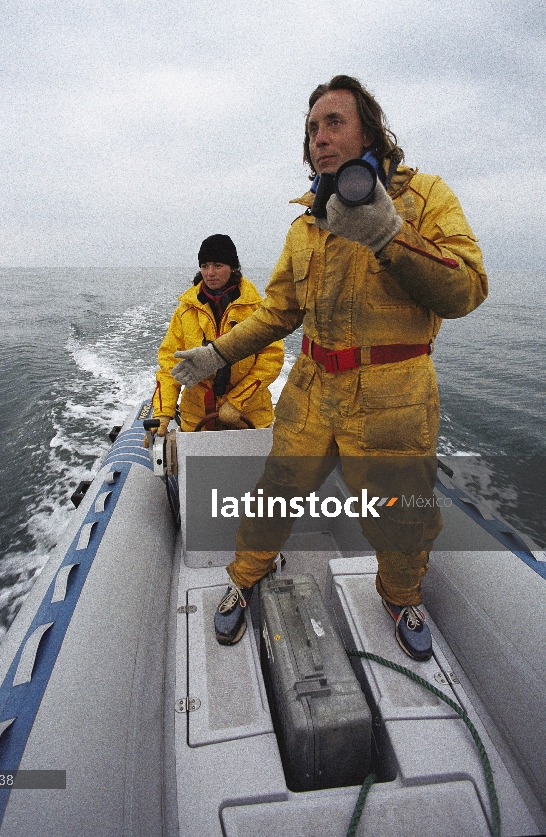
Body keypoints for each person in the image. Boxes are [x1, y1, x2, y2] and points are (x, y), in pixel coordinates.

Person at [172, 76, 488, 658]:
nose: (320, 137)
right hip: (313, 388)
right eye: (312, 128)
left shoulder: (424, 198)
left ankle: (399, 595)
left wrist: (390, 234)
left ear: (368, 128)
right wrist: (216, 353)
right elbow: (277, 315)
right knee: (275, 494)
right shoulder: (304, 226)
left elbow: (466, 290)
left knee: (400, 517)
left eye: (334, 122)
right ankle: (244, 577)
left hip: (395, 395)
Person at [151, 234, 284, 435]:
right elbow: (170, 364)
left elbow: (271, 360)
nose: (210, 273)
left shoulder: (258, 309)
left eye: (217, 265)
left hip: (250, 415)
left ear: (233, 267)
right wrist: (162, 412)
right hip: (198, 418)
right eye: (204, 266)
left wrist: (236, 402)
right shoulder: (184, 311)